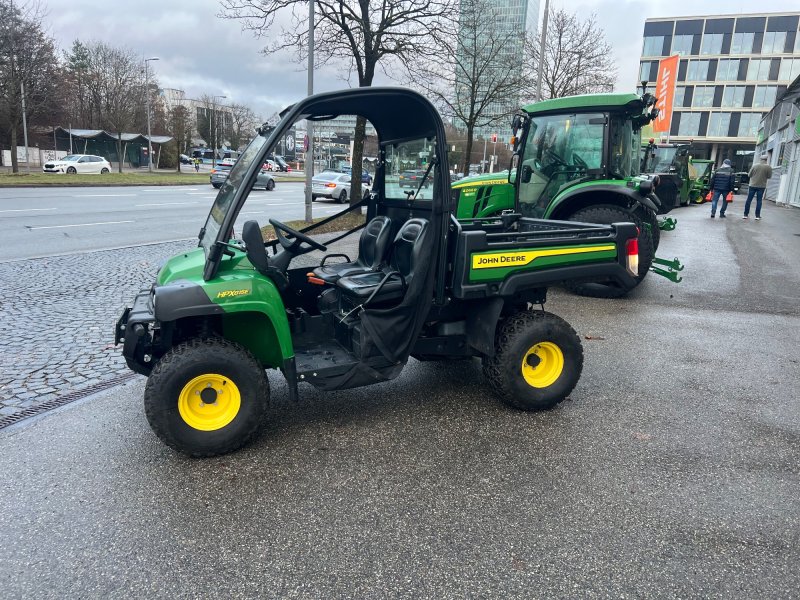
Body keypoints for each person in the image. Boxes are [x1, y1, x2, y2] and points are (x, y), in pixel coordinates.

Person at [743, 155, 772, 220]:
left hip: (752, 185)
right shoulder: (768, 167)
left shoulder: (755, 165)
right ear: (766, 160)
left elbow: (749, 175)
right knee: (759, 201)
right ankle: (757, 216)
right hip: (761, 186)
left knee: (749, 200)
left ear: (760, 159)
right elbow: (769, 176)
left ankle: (745, 215)